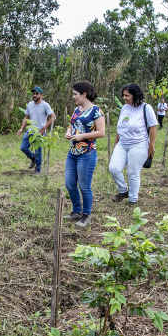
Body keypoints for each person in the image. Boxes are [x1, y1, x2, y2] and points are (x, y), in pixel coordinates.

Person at [64, 81, 105, 228]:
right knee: (69, 183)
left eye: (75, 94)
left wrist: (82, 136)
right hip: (73, 152)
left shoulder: (96, 111)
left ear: (84, 94)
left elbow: (101, 132)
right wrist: (69, 132)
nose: (73, 97)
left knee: (84, 186)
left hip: (87, 153)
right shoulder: (77, 110)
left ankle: (86, 215)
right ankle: (76, 211)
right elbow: (72, 125)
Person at [109, 83, 157, 205]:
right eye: (123, 95)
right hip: (122, 143)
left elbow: (153, 127)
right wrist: (116, 142)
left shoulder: (146, 108)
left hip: (138, 144)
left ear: (135, 95)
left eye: (127, 95)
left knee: (132, 172)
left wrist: (151, 145)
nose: (124, 98)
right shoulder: (125, 108)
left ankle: (133, 199)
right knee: (113, 168)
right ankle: (123, 191)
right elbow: (121, 126)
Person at [16, 86, 56, 173]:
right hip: (30, 131)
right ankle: (33, 158)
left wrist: (44, 128)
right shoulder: (30, 105)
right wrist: (21, 129)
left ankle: (37, 170)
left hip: (40, 133)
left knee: (38, 152)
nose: (34, 95)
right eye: (33, 94)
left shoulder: (45, 105)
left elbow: (53, 117)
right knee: (23, 147)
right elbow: (26, 117)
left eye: (36, 94)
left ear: (41, 95)